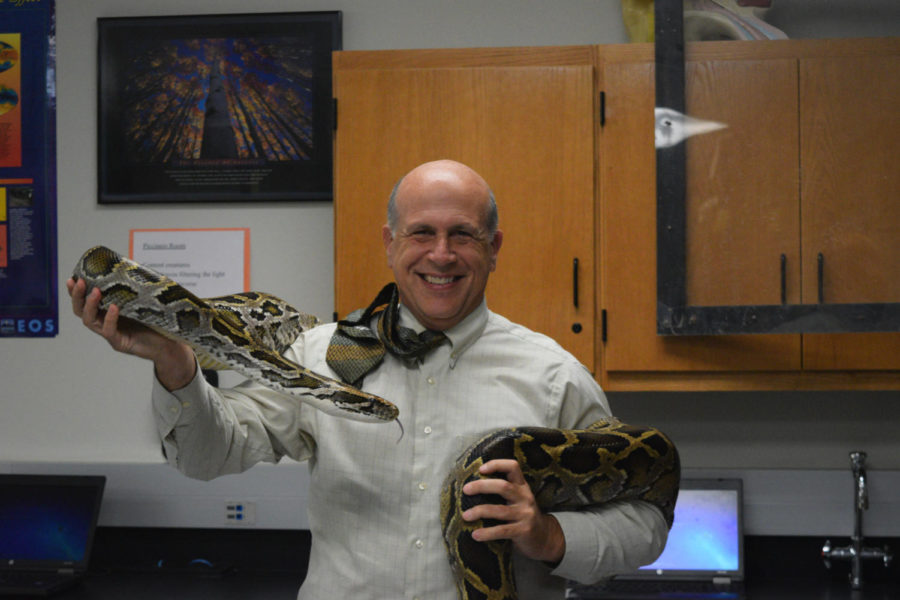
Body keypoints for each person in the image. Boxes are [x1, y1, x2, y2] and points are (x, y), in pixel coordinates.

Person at [68, 159, 667, 599]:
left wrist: (549, 535)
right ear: (389, 244)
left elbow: (644, 523)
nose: (441, 254)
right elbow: (208, 455)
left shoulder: (554, 375)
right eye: (421, 233)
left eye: (462, 234)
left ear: (494, 248)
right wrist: (175, 362)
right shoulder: (320, 354)